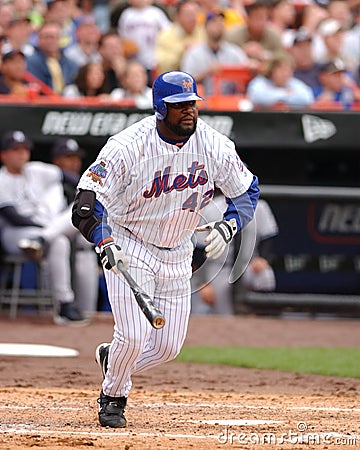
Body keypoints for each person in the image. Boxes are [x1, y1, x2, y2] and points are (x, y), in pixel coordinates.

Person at [71, 70, 260, 428]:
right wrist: (104, 240)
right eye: (179, 105)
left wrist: (228, 224)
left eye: (191, 103)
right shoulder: (128, 145)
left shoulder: (214, 145)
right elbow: (86, 202)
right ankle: (113, 397)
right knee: (134, 334)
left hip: (178, 250)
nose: (188, 111)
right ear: (160, 108)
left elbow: (247, 190)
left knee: (167, 347)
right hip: (130, 242)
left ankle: (115, 359)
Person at [0, 130, 87, 324]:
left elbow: (66, 176)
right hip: (16, 235)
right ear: (4, 155)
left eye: (24, 149)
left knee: (62, 238)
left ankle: (65, 304)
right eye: (16, 150)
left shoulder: (36, 169)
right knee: (56, 236)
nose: (22, 154)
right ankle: (45, 235)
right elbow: (14, 218)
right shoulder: (1, 180)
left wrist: (87, 190)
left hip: (43, 232)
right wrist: (44, 227)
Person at [51, 138, 99, 318]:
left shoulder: (88, 185)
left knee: (88, 312)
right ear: (57, 161)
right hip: (56, 251)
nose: (75, 162)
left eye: (76, 157)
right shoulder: (49, 184)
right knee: (56, 312)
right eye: (68, 157)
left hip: (82, 251)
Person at [181, 10, 249, 96]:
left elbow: (246, 72)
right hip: (202, 101)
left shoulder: (235, 52)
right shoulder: (193, 53)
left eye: (221, 22)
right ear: (205, 26)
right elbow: (185, 84)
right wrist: (207, 72)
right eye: (214, 21)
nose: (218, 25)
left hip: (229, 100)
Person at [246, 51, 314, 109]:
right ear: (272, 70)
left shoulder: (295, 83)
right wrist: (285, 93)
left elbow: (307, 98)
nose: (285, 74)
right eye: (282, 70)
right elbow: (256, 97)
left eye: (289, 70)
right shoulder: (259, 82)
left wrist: (274, 96)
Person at [26, 21, 78, 94]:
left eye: (54, 37)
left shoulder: (71, 64)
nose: (50, 41)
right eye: (46, 37)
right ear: (38, 39)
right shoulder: (30, 62)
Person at [155, 0, 206, 74]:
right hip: (173, 78)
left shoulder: (204, 32)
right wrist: (183, 50)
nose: (192, 18)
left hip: (200, 77)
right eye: (188, 14)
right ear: (177, 17)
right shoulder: (166, 35)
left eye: (195, 14)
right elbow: (163, 66)